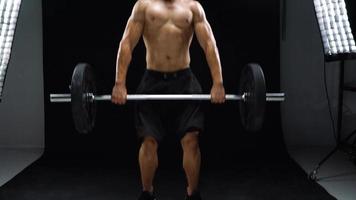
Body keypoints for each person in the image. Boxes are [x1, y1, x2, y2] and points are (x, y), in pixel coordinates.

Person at [111, 0, 225, 199]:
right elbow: (127, 43)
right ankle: (147, 193)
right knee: (148, 142)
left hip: (185, 81)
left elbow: (209, 44)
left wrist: (218, 82)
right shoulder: (144, 6)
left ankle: (193, 193)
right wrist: (119, 83)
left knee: (191, 141)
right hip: (152, 82)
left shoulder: (193, 7)